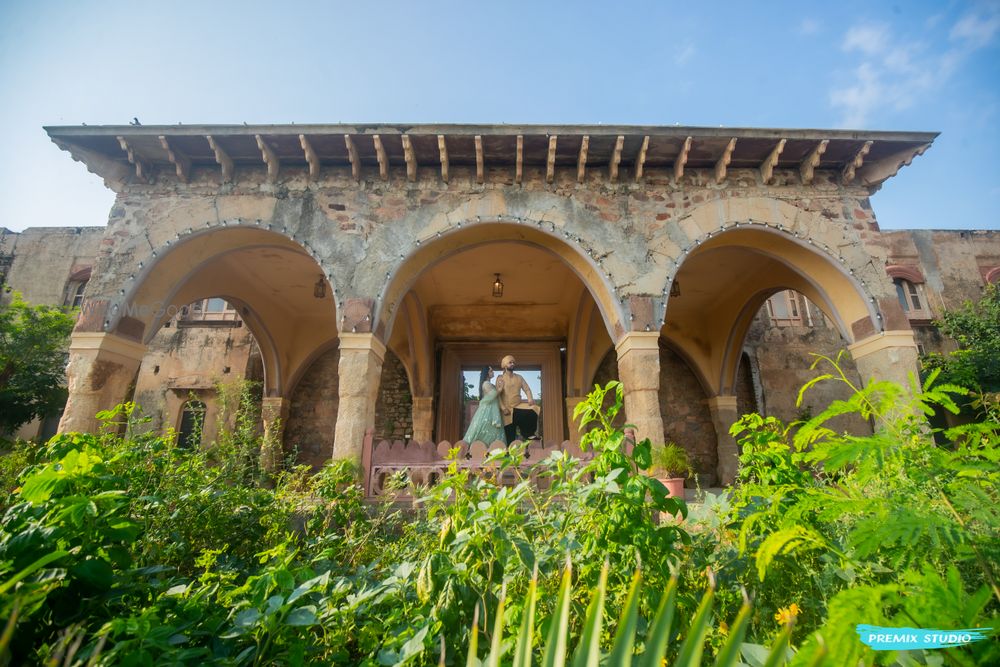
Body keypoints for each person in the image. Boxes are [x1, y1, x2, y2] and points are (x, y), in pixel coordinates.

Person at [496, 355, 539, 443]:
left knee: (534, 409)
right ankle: (508, 451)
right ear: (504, 365)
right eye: (510, 362)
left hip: (518, 407)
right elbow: (498, 395)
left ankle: (529, 434)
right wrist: (503, 408)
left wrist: (530, 399)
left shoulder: (519, 377)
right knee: (510, 436)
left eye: (513, 362)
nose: (512, 364)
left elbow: (527, 389)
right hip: (507, 410)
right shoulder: (500, 378)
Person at [462, 366, 505, 444]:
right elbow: (492, 395)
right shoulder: (486, 383)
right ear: (487, 373)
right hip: (487, 411)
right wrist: (499, 390)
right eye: (491, 371)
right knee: (483, 429)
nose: (493, 372)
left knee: (491, 431)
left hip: (491, 410)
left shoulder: (490, 384)